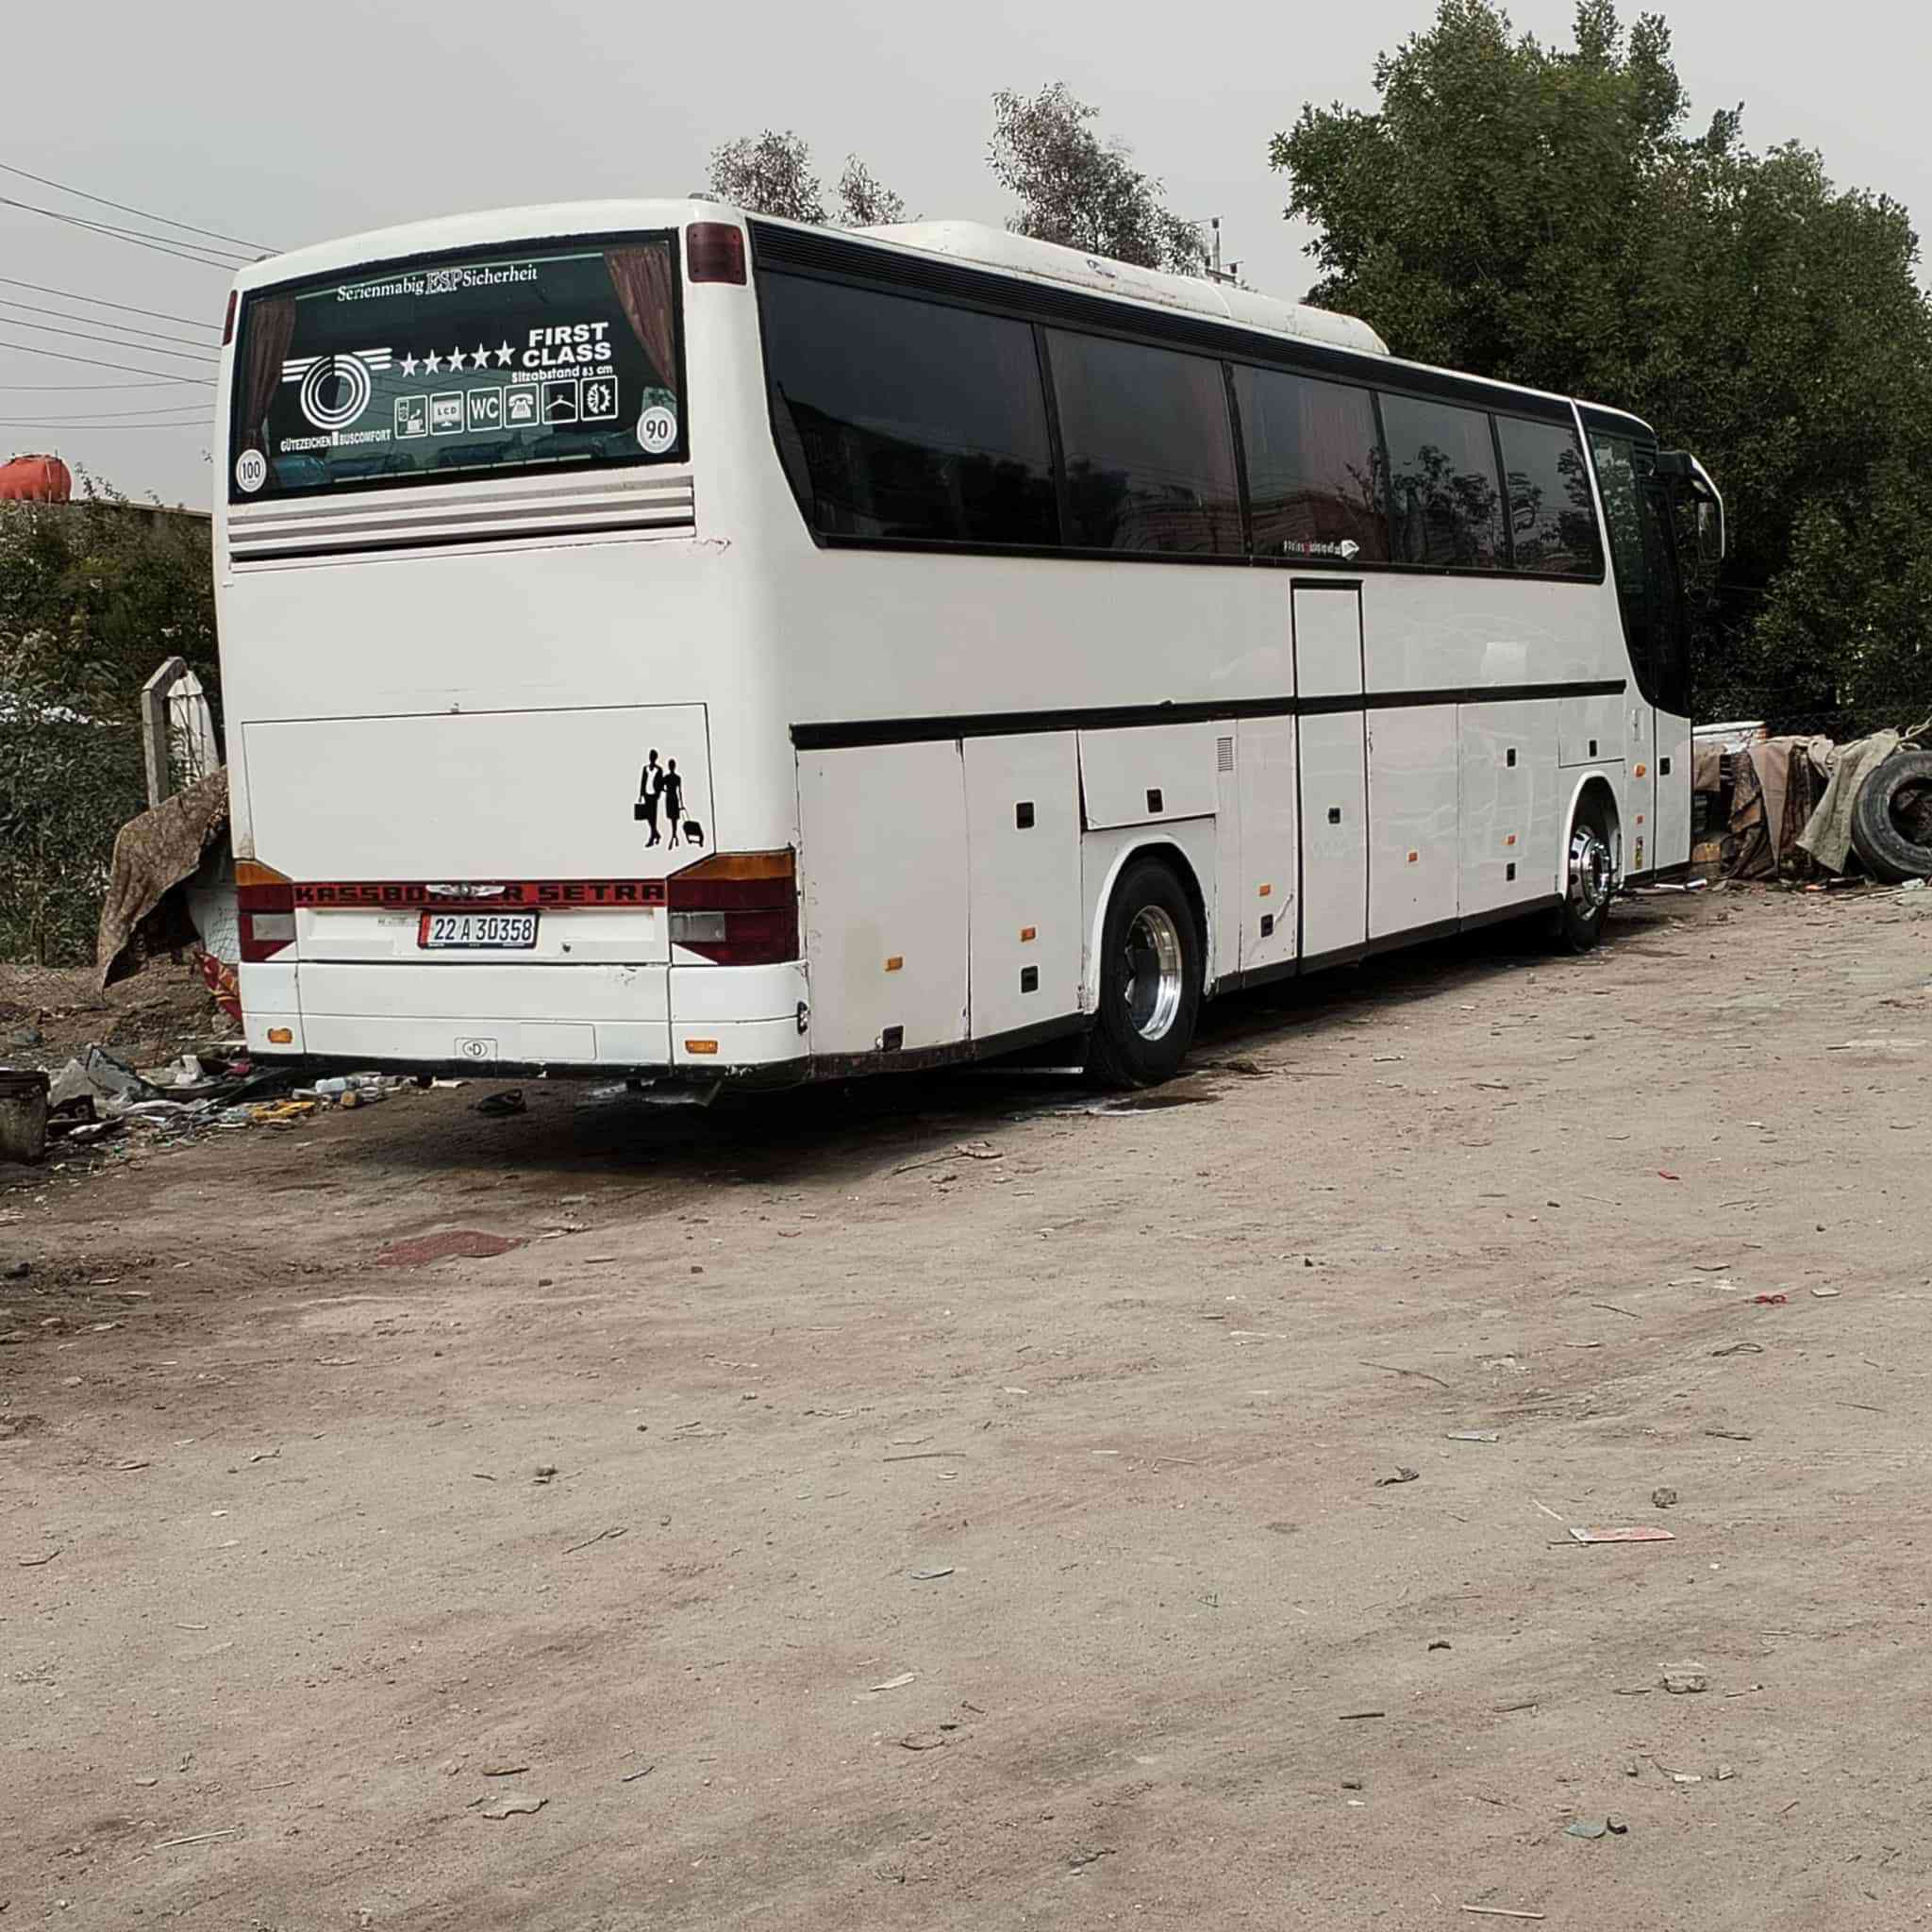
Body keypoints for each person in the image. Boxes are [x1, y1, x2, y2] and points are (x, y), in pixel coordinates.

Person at [638, 749, 662, 845]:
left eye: (653, 756)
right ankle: (656, 833)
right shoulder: (645, 768)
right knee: (648, 816)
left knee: (653, 816)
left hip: (654, 796)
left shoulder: (659, 770)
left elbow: (659, 784)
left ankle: (652, 836)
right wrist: (641, 794)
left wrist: (658, 794)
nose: (651, 758)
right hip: (647, 795)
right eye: (650, 756)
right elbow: (643, 782)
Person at [660, 758, 686, 849]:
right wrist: (681, 803)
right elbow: (680, 792)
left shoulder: (667, 777)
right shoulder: (677, 778)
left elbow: (660, 786)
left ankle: (674, 835)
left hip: (669, 798)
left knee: (672, 819)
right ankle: (674, 835)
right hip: (674, 798)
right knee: (674, 819)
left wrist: (665, 790)